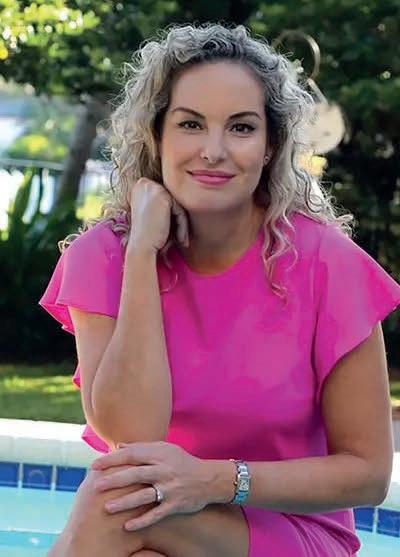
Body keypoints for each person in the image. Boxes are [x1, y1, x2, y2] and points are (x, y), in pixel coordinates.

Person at [39, 23, 400, 557]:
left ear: (270, 145)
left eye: (241, 128)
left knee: (118, 503)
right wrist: (142, 254)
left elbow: (368, 474)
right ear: (156, 135)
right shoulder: (106, 256)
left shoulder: (327, 264)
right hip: (164, 515)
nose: (213, 150)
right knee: (129, 509)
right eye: (190, 124)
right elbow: (132, 435)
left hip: (291, 530)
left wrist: (216, 480)